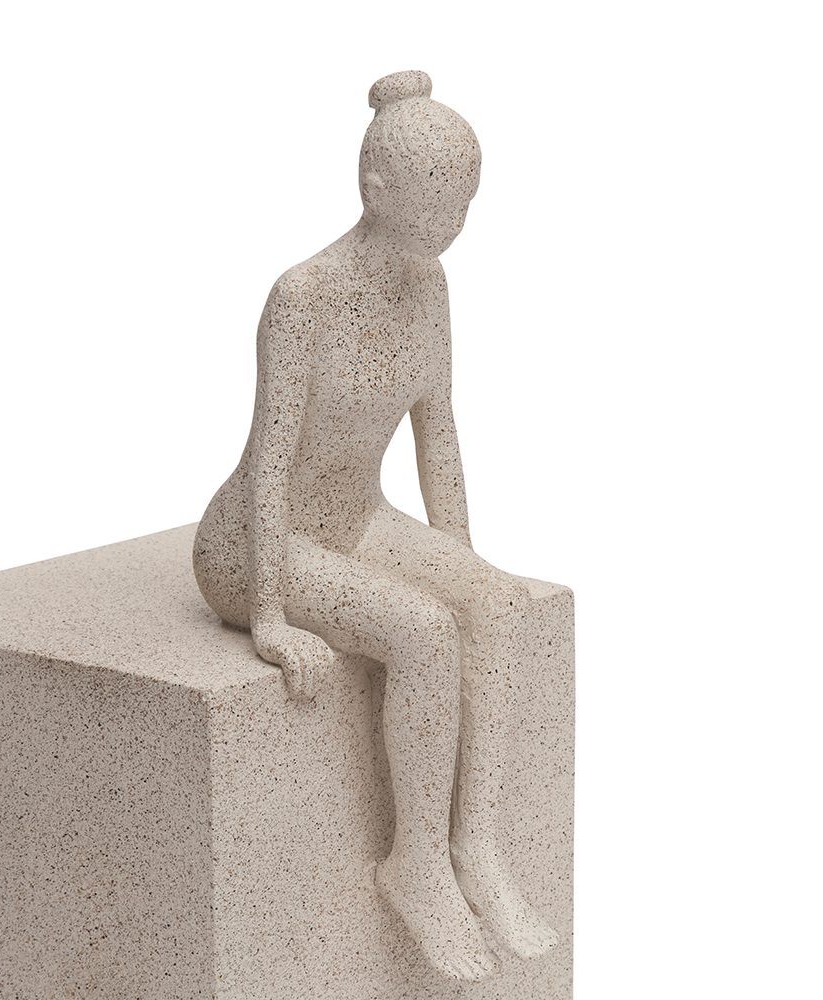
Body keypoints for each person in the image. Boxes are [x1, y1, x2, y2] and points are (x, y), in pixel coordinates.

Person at [193, 70, 557, 983]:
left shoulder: (431, 288)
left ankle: (474, 845)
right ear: (377, 189)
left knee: (494, 608)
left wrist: (463, 566)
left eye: (465, 204)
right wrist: (269, 617)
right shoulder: (305, 296)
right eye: (439, 203)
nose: (454, 224)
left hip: (354, 519)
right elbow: (270, 456)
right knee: (422, 631)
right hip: (255, 544)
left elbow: (440, 434)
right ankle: (416, 861)